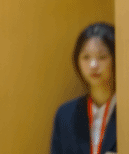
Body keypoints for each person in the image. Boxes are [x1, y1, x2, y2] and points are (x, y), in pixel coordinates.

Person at [50, 23, 117, 154]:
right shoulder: (65, 115)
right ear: (77, 61)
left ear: (115, 59)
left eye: (102, 57)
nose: (93, 65)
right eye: (86, 57)